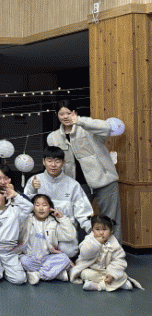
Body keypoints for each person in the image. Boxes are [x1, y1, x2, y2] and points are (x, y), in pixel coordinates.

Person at [47, 100, 121, 241]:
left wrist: (80, 121)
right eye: (61, 114)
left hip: (104, 181)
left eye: (68, 113)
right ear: (57, 115)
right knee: (75, 218)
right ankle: (79, 249)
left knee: (110, 219)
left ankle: (113, 251)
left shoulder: (88, 128)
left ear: (75, 113)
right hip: (78, 186)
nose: (65, 116)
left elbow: (107, 128)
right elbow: (54, 161)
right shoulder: (53, 137)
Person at [24, 145, 93, 257]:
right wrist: (32, 189)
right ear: (43, 162)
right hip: (40, 229)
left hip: (64, 230)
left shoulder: (73, 185)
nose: (53, 165)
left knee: (68, 252)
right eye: (49, 161)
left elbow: (84, 212)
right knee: (36, 251)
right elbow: (24, 207)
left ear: (63, 163)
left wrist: (94, 231)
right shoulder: (34, 180)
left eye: (57, 161)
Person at [70, 215, 143, 291]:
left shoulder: (114, 243)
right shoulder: (89, 240)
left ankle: (98, 285)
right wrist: (96, 243)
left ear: (111, 231)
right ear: (92, 230)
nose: (101, 232)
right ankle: (118, 284)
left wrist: (112, 274)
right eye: (97, 229)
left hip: (107, 271)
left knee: (121, 275)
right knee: (85, 274)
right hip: (92, 269)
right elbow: (85, 255)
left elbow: (118, 261)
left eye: (105, 229)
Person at [19, 194, 75, 285]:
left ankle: (38, 274)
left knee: (64, 258)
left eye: (44, 205)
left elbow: (70, 235)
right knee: (22, 260)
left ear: (50, 208)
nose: (41, 208)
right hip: (30, 258)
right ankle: (55, 274)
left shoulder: (53, 223)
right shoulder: (27, 220)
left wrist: (61, 218)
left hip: (47, 258)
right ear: (32, 208)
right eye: (37, 205)